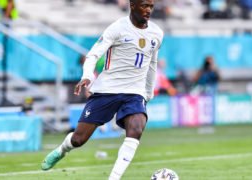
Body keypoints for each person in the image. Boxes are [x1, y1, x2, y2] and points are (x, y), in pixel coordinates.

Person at [41, 0, 164, 179]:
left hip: (135, 93)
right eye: (144, 6)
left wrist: (148, 90)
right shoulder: (117, 28)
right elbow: (93, 54)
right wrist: (87, 75)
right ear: (132, 5)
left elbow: (152, 63)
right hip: (108, 89)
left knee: (136, 129)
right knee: (78, 139)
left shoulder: (157, 33)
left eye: (151, 7)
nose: (148, 11)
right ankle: (62, 150)